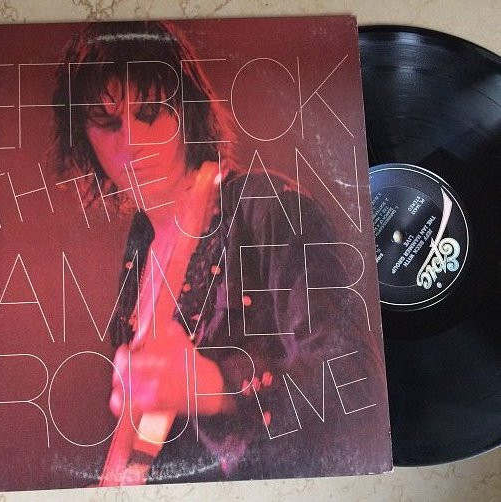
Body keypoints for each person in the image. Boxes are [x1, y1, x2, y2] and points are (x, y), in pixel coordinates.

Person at [52, 21, 385, 483]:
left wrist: (213, 387)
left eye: (150, 112)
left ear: (186, 111)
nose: (132, 144)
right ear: (82, 135)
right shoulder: (138, 250)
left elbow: (355, 385)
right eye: (108, 123)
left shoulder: (266, 207)